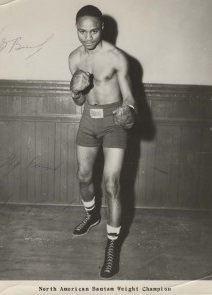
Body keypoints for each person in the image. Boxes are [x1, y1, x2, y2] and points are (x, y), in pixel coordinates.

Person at [68, 5, 137, 279]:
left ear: (102, 28)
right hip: (88, 120)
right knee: (84, 176)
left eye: (93, 30)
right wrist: (75, 91)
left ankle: (112, 244)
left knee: (112, 184)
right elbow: (79, 99)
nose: (88, 37)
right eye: (82, 31)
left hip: (113, 122)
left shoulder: (117, 57)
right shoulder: (74, 58)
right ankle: (92, 215)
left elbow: (130, 97)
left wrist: (128, 111)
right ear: (76, 29)